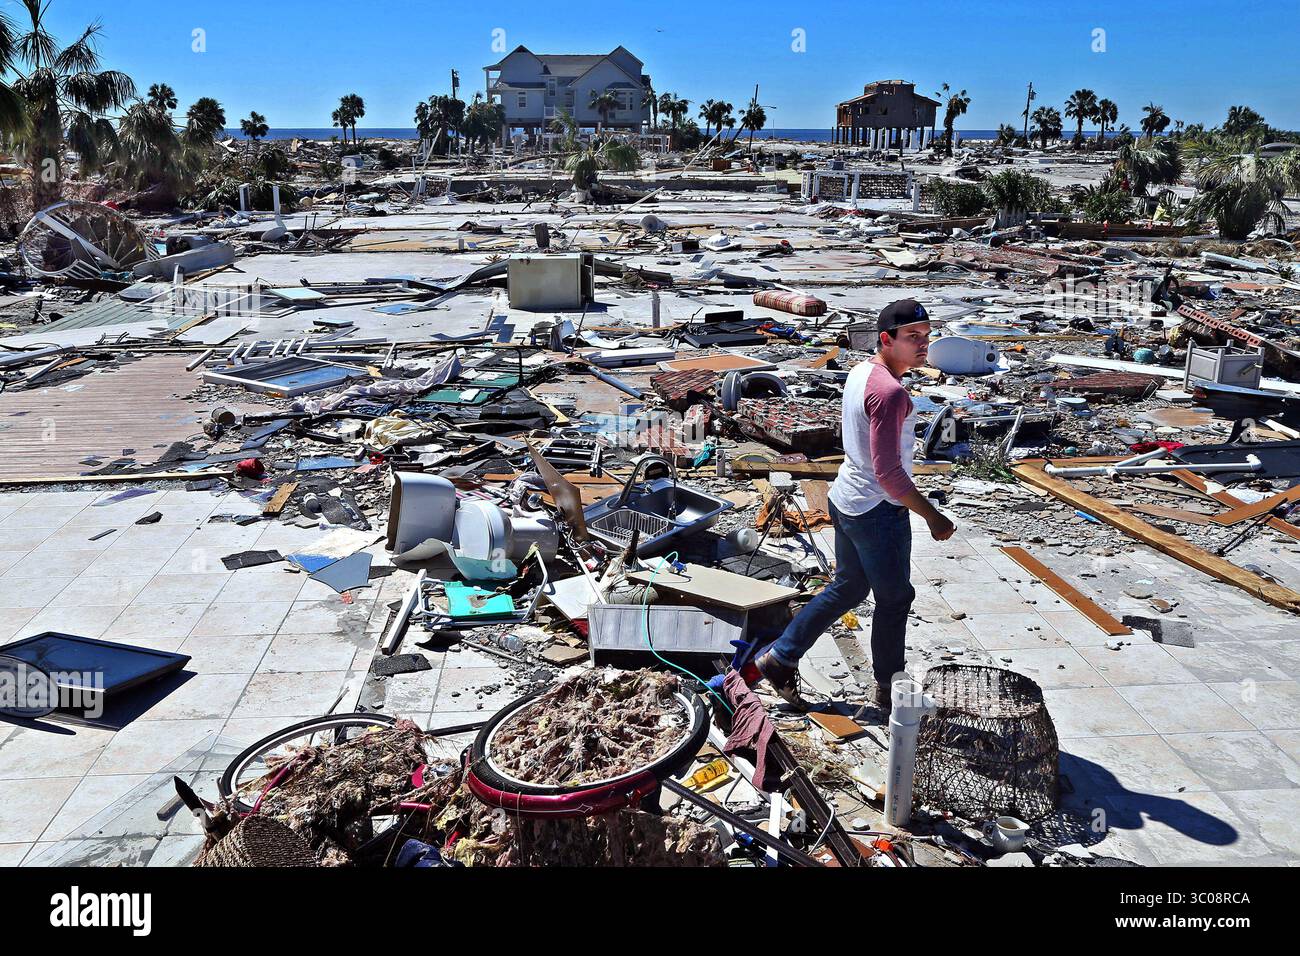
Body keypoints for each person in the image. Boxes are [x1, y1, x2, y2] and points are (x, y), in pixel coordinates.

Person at [756, 298, 955, 710]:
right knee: (895, 598)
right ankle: (888, 690)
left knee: (848, 585)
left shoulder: (863, 371)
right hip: (876, 510)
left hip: (847, 497)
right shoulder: (891, 393)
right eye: (912, 337)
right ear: (887, 339)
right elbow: (890, 475)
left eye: (926, 336)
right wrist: (933, 516)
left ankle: (781, 657)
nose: (923, 345)